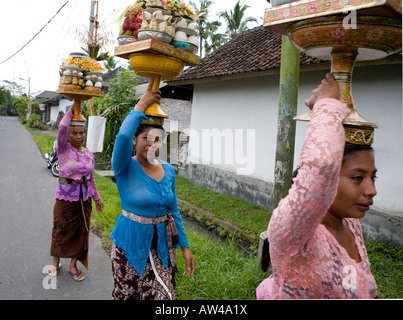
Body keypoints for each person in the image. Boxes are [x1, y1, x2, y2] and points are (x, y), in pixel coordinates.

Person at [256, 73, 378, 299]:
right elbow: (320, 167)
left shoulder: (351, 225)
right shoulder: (294, 231)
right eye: (357, 178)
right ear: (328, 180)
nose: (372, 190)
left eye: (373, 177)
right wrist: (326, 106)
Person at [110, 80, 195, 300]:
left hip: (160, 249)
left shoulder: (168, 170)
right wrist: (140, 106)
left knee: (165, 297)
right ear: (135, 139)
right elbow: (122, 137)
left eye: (157, 140)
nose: (151, 144)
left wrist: (185, 247)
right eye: (146, 138)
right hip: (128, 248)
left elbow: (174, 211)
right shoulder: (124, 167)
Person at [48, 107, 104, 281]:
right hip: (65, 198)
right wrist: (73, 108)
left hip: (84, 200)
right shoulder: (62, 148)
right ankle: (56, 261)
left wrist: (97, 198)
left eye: (81, 133)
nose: (79, 136)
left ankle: (73, 264)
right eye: (75, 133)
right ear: (68, 136)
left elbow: (91, 178)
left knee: (81, 232)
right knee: (60, 229)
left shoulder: (88, 154)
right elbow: (62, 127)